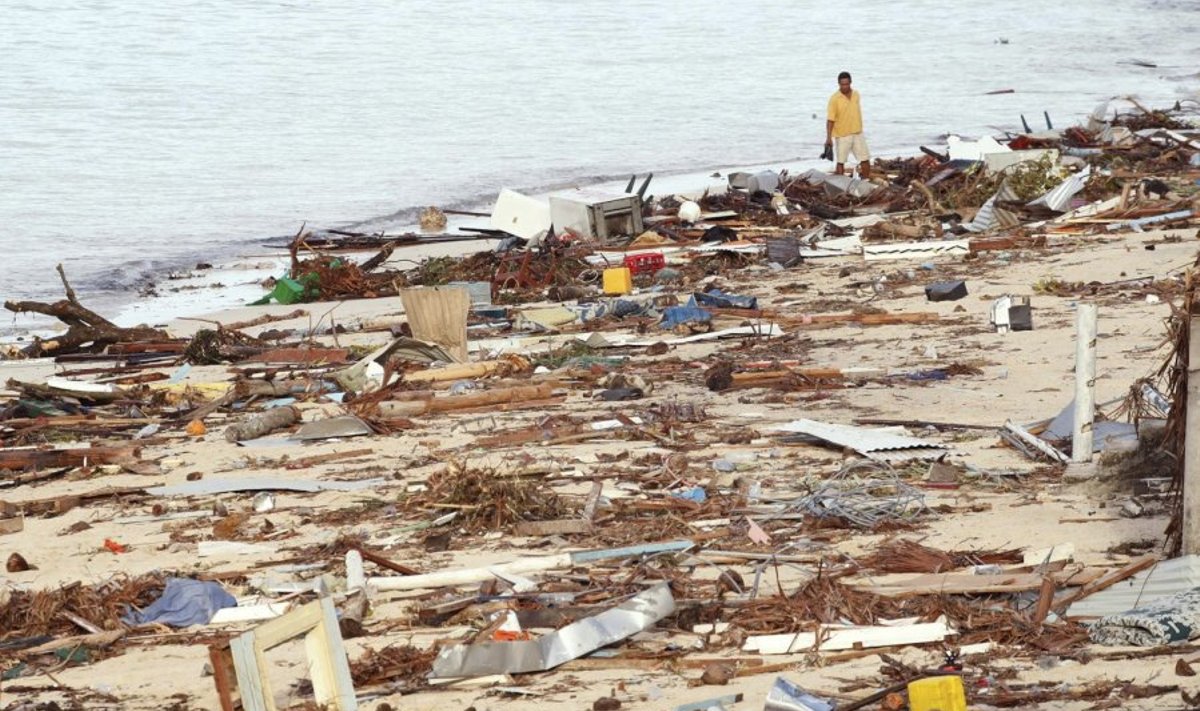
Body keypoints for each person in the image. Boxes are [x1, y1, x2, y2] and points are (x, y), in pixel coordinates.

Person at [824, 71, 871, 179]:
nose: (845, 87)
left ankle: (866, 181)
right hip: (842, 135)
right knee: (841, 162)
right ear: (838, 84)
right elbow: (830, 120)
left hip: (857, 133)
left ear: (850, 82)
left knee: (865, 159)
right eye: (842, 84)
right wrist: (828, 138)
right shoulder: (834, 99)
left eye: (847, 84)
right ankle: (841, 184)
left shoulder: (856, 94)